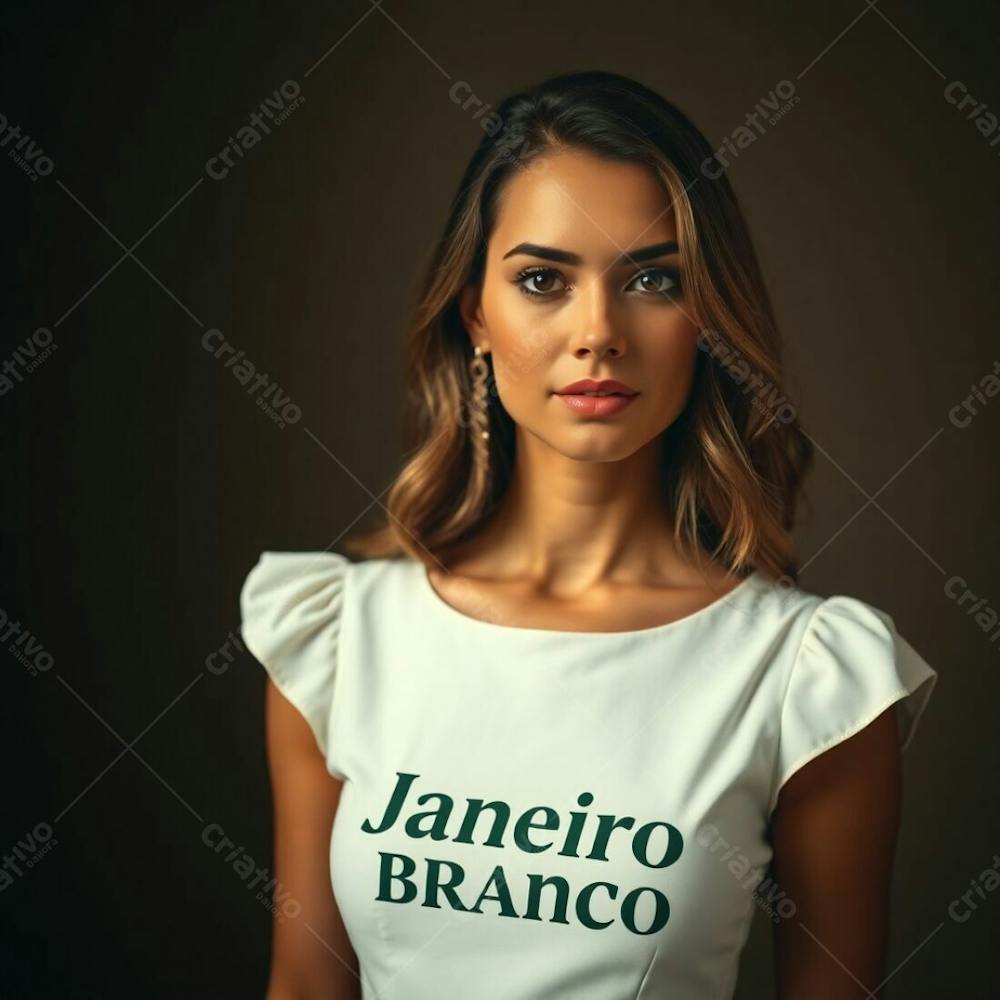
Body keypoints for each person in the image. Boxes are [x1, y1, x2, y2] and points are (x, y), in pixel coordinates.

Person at [239, 70, 938, 999]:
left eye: (652, 278)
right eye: (543, 280)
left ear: (708, 320)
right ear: (476, 314)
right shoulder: (337, 637)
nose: (598, 332)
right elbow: (304, 985)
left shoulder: (811, 682)